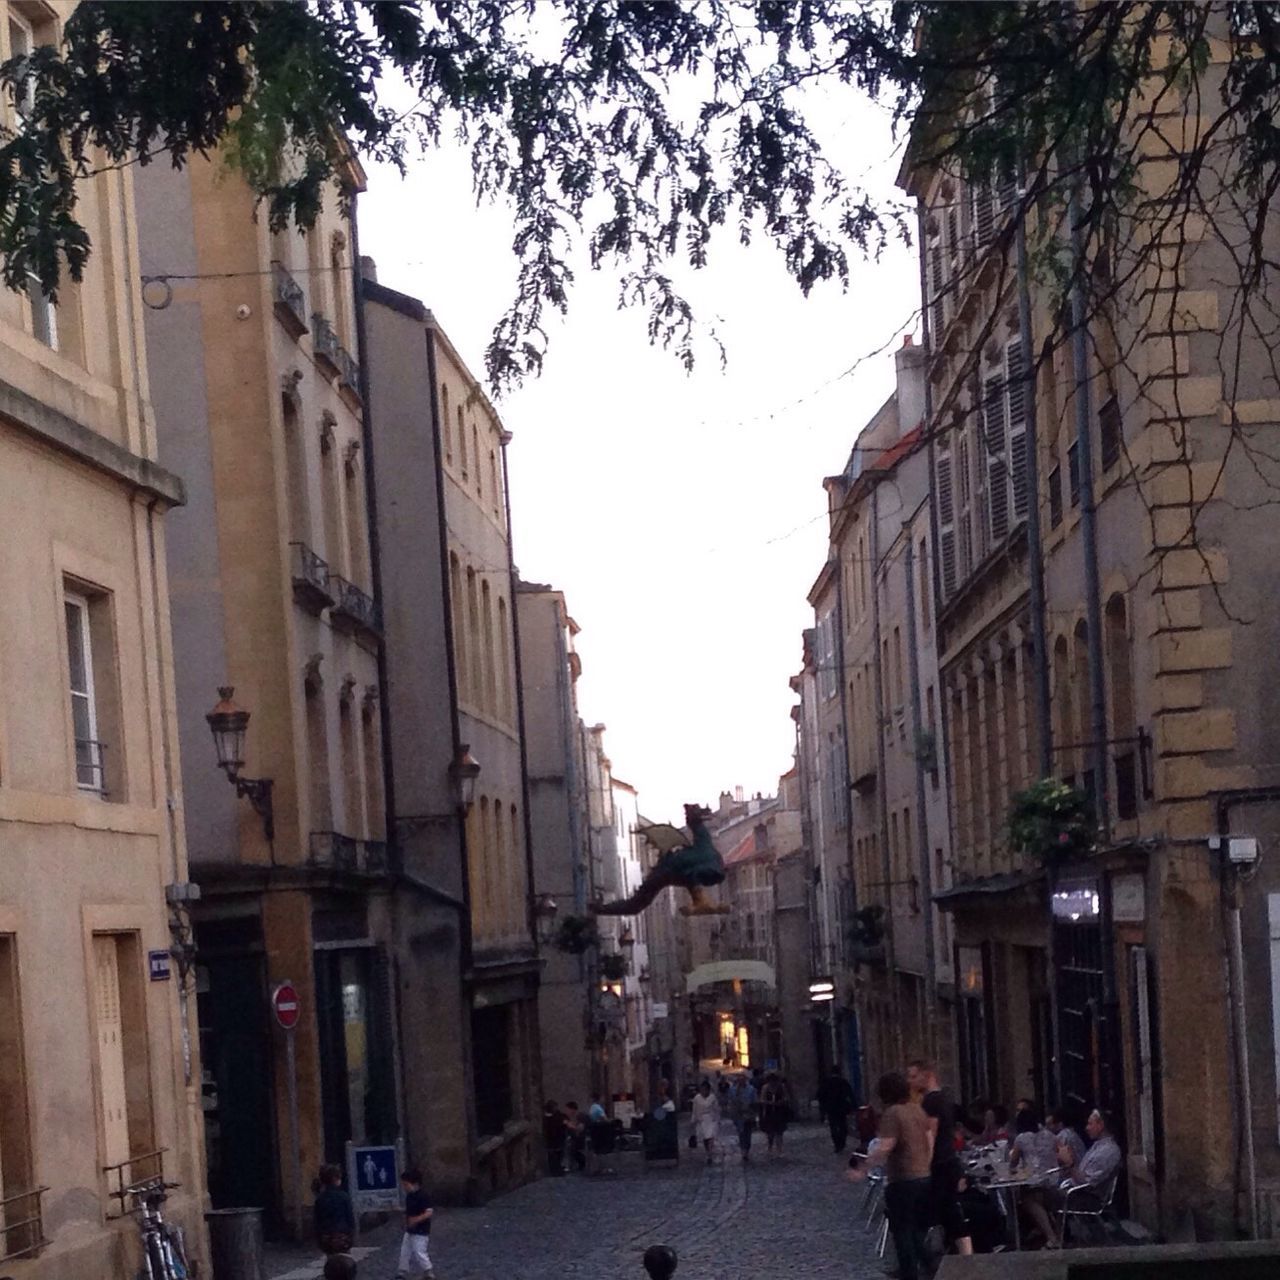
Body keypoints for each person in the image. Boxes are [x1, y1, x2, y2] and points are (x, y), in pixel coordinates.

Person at [847, 1072, 935, 1280]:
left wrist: (863, 1168)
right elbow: (929, 1139)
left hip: (903, 1179)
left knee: (903, 1232)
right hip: (923, 1176)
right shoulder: (917, 1110)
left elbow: (885, 1146)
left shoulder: (893, 1114)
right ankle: (932, 1268)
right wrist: (925, 1163)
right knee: (916, 1231)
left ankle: (912, 1274)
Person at [1024, 1108, 1122, 1248]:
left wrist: (1069, 1164)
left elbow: (1087, 1182)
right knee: (1035, 1191)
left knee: (1030, 1197)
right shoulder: (1098, 1146)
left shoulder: (1109, 1151)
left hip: (1086, 1197)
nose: (1087, 1128)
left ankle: (1053, 1238)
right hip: (1075, 1190)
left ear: (1101, 1125)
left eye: (1090, 1124)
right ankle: (1052, 1234)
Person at [906, 1058, 973, 1259]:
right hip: (947, 1162)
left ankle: (917, 1260)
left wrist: (923, 1165)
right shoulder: (943, 1098)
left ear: (927, 1075)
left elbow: (930, 1134)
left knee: (923, 1213)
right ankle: (965, 1257)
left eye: (913, 1076)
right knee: (949, 1212)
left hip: (939, 1165)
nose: (910, 1081)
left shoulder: (932, 1101)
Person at [396, 1167, 433, 1280]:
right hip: (410, 1229)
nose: (405, 1187)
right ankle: (402, 1272)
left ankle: (428, 1271)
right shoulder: (410, 1196)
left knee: (419, 1251)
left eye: (406, 1184)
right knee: (405, 1251)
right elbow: (409, 1211)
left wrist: (416, 1219)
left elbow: (429, 1212)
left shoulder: (423, 1196)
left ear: (415, 1184)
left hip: (421, 1230)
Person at [313, 1163, 355, 1256]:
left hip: (326, 1237)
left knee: (331, 1257)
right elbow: (350, 1217)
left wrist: (319, 1238)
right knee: (344, 1259)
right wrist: (351, 1233)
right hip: (342, 1235)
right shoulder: (344, 1196)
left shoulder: (320, 1199)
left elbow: (317, 1220)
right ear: (335, 1179)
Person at [1008, 1106, 1058, 1182]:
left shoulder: (1021, 1138)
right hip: (1053, 1177)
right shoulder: (1051, 1135)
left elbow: (1013, 1162)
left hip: (1033, 1180)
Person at [817, 1067, 857, 1155]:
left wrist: (823, 1110)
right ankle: (842, 1143)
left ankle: (837, 1144)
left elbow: (820, 1096)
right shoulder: (843, 1082)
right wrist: (854, 1106)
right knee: (843, 1126)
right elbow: (850, 1094)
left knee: (833, 1126)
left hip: (830, 1108)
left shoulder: (826, 1083)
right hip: (841, 1107)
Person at [726, 1073, 758, 1162]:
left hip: (748, 1115)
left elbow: (755, 1102)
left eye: (742, 1079)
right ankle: (743, 1151)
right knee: (741, 1133)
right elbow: (731, 1101)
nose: (741, 1081)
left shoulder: (751, 1089)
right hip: (738, 1115)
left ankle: (746, 1150)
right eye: (739, 1080)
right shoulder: (733, 1090)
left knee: (747, 1134)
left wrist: (752, 1111)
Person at [758, 1072, 791, 1158]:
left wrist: (782, 1101)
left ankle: (779, 1149)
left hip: (780, 1112)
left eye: (774, 1081)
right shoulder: (765, 1088)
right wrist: (770, 1103)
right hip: (769, 1112)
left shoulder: (781, 1087)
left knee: (779, 1132)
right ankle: (770, 1147)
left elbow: (786, 1097)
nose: (773, 1083)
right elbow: (762, 1100)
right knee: (770, 1133)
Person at [1046, 1105, 1087, 1169]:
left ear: (1060, 1124)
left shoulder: (1062, 1136)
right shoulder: (1074, 1134)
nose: (1047, 1128)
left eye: (1050, 1124)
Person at [690, 1078, 721, 1163]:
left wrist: (718, 1119)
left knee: (711, 1136)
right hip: (701, 1120)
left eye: (705, 1089)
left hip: (711, 1119)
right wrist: (693, 1120)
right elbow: (695, 1109)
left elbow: (716, 1109)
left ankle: (710, 1153)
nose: (703, 1091)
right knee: (705, 1138)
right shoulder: (697, 1098)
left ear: (708, 1090)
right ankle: (707, 1152)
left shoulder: (712, 1097)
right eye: (702, 1089)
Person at [543, 1099, 568, 1176]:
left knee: (558, 1154)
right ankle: (555, 1170)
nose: (556, 1108)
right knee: (553, 1155)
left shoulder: (558, 1115)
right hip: (553, 1138)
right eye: (554, 1107)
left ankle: (557, 1169)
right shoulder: (548, 1118)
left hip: (558, 1138)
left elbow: (564, 1121)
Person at [564, 1101, 587, 1172]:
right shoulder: (575, 1117)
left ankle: (580, 1164)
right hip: (577, 1138)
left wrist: (569, 1125)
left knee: (570, 1146)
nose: (567, 1112)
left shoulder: (580, 1116)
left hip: (581, 1139)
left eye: (567, 1110)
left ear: (572, 1109)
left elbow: (580, 1128)